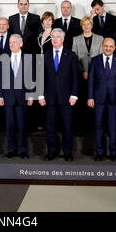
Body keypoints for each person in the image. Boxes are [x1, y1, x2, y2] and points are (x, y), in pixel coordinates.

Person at [38, 28, 79, 161]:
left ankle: (67, 152)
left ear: (63, 39)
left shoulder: (71, 55)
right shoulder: (45, 55)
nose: (55, 39)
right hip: (49, 97)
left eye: (57, 37)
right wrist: (40, 95)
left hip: (66, 97)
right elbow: (40, 77)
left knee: (67, 126)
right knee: (50, 127)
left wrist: (74, 95)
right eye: (53, 37)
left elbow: (75, 77)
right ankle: (52, 151)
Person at [88, 37, 116, 162]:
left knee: (112, 127)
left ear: (114, 48)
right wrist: (90, 97)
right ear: (102, 46)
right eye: (106, 46)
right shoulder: (95, 60)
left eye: (111, 46)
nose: (108, 48)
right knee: (98, 126)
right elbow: (91, 80)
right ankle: (99, 152)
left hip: (114, 99)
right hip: (98, 98)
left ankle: (113, 153)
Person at [0, 34, 34, 160]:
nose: (11, 44)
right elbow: (0, 79)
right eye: (10, 42)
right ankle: (11, 149)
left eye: (14, 42)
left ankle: (23, 150)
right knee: (10, 125)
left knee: (22, 125)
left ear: (21, 43)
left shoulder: (28, 58)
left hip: (23, 96)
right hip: (8, 97)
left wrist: (31, 95)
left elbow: (32, 78)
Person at [71, 16, 103, 135]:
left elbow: (101, 58)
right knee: (82, 102)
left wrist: (92, 72)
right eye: (84, 24)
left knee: (94, 101)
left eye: (88, 24)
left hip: (96, 76)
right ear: (81, 26)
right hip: (81, 76)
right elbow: (74, 58)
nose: (86, 26)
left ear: (92, 25)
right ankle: (81, 128)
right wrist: (83, 71)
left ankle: (93, 128)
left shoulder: (100, 39)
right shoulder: (76, 39)